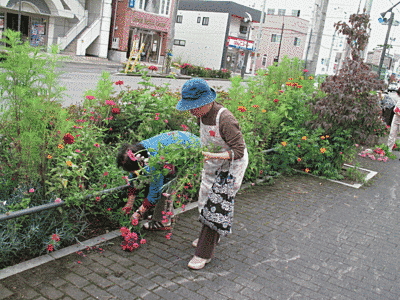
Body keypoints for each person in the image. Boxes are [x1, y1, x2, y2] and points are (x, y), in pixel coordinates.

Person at [176, 78, 249, 269]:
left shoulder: (226, 119)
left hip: (232, 165)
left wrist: (216, 155)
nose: (191, 111)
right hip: (213, 161)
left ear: (207, 102)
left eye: (194, 107)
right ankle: (208, 238)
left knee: (216, 206)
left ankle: (203, 253)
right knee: (205, 200)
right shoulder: (201, 115)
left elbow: (238, 151)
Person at [116, 131, 200, 230]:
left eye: (134, 170)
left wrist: (138, 214)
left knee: (166, 185)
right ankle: (166, 214)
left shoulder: (154, 164)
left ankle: (163, 221)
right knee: (165, 181)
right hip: (177, 145)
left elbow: (155, 193)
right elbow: (134, 177)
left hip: (191, 151)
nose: (133, 172)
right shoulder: (137, 153)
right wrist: (130, 203)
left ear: (141, 164)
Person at [387, 88, 400, 152]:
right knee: (392, 134)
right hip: (396, 118)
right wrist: (396, 111)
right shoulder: (399, 99)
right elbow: (395, 108)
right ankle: (389, 149)